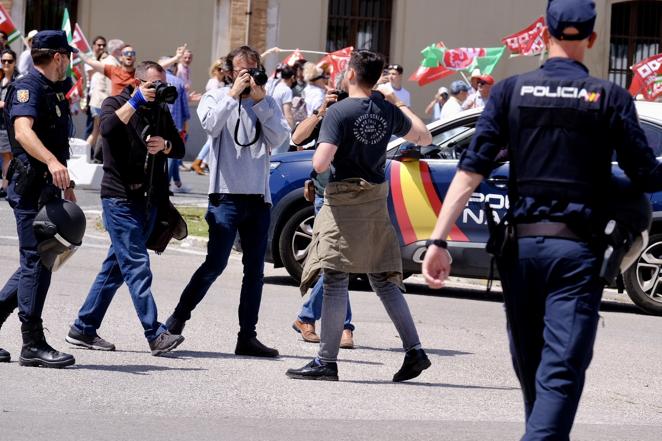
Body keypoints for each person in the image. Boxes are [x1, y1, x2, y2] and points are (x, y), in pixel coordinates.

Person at [421, 1, 662, 438]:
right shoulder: (610, 97)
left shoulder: (511, 92)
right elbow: (646, 174)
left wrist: (438, 241)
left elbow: (470, 171)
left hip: (521, 252)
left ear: (544, 35)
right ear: (590, 39)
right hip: (576, 255)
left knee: (532, 369)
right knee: (560, 373)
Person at [286, 50, 432, 382]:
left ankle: (326, 361)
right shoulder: (386, 109)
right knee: (383, 279)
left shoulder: (340, 111)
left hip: (343, 199)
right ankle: (415, 351)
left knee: (336, 276)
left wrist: (324, 151)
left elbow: (321, 163)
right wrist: (398, 102)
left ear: (351, 74)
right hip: (375, 198)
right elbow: (424, 136)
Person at [164, 46, 289, 357]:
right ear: (231, 72)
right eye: (242, 71)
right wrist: (232, 95)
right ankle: (176, 321)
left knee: (255, 271)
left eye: (253, 69)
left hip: (258, 198)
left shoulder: (267, 101)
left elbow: (280, 141)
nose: (248, 76)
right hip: (226, 196)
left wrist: (259, 103)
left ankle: (247, 336)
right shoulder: (217, 96)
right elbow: (210, 126)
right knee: (215, 264)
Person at [66, 61, 186, 356]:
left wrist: (166, 146)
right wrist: (135, 100)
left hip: (146, 201)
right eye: (152, 85)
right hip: (118, 199)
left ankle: (83, 327)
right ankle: (154, 333)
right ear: (137, 82)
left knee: (116, 268)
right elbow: (107, 129)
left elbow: (180, 148)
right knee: (136, 264)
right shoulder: (116, 102)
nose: (158, 91)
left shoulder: (159, 110)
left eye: (161, 85)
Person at [0, 30, 79, 367]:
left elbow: (55, 141)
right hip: (31, 187)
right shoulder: (27, 86)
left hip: (47, 186)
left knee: (39, 259)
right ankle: (32, 343)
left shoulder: (52, 90)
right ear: (58, 56)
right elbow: (22, 131)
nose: (69, 64)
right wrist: (50, 162)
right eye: (68, 57)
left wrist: (66, 180)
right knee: (36, 261)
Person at [290, 72, 355, 348]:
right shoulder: (327, 114)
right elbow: (297, 137)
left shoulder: (361, 113)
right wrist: (321, 110)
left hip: (354, 195)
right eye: (339, 92)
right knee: (338, 259)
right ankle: (341, 324)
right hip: (326, 195)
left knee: (341, 259)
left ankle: (311, 317)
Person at [191, 58, 229, 175]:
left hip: (219, 113)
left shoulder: (221, 83)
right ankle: (198, 161)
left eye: (223, 68)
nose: (222, 71)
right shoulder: (213, 83)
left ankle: (204, 163)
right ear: (215, 70)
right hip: (213, 113)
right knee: (211, 140)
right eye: (219, 68)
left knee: (212, 140)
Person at [163, 61, 191, 193]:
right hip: (175, 124)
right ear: (174, 68)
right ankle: (165, 185)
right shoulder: (178, 82)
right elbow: (185, 109)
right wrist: (185, 128)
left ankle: (176, 181)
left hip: (156, 123)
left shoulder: (155, 80)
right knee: (171, 155)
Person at [0, 49, 18, 199]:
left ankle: (5, 186)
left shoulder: (18, 81)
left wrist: (3, 104)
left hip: (7, 124)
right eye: (3, 61)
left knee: (7, 155)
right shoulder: (0, 78)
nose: (6, 64)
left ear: (15, 63)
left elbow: (17, 102)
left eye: (9, 61)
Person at [267, 65, 296, 154]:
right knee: (279, 157)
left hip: (270, 125)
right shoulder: (286, 90)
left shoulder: (272, 86)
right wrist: (292, 129)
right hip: (281, 128)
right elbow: (287, 113)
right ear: (292, 77)